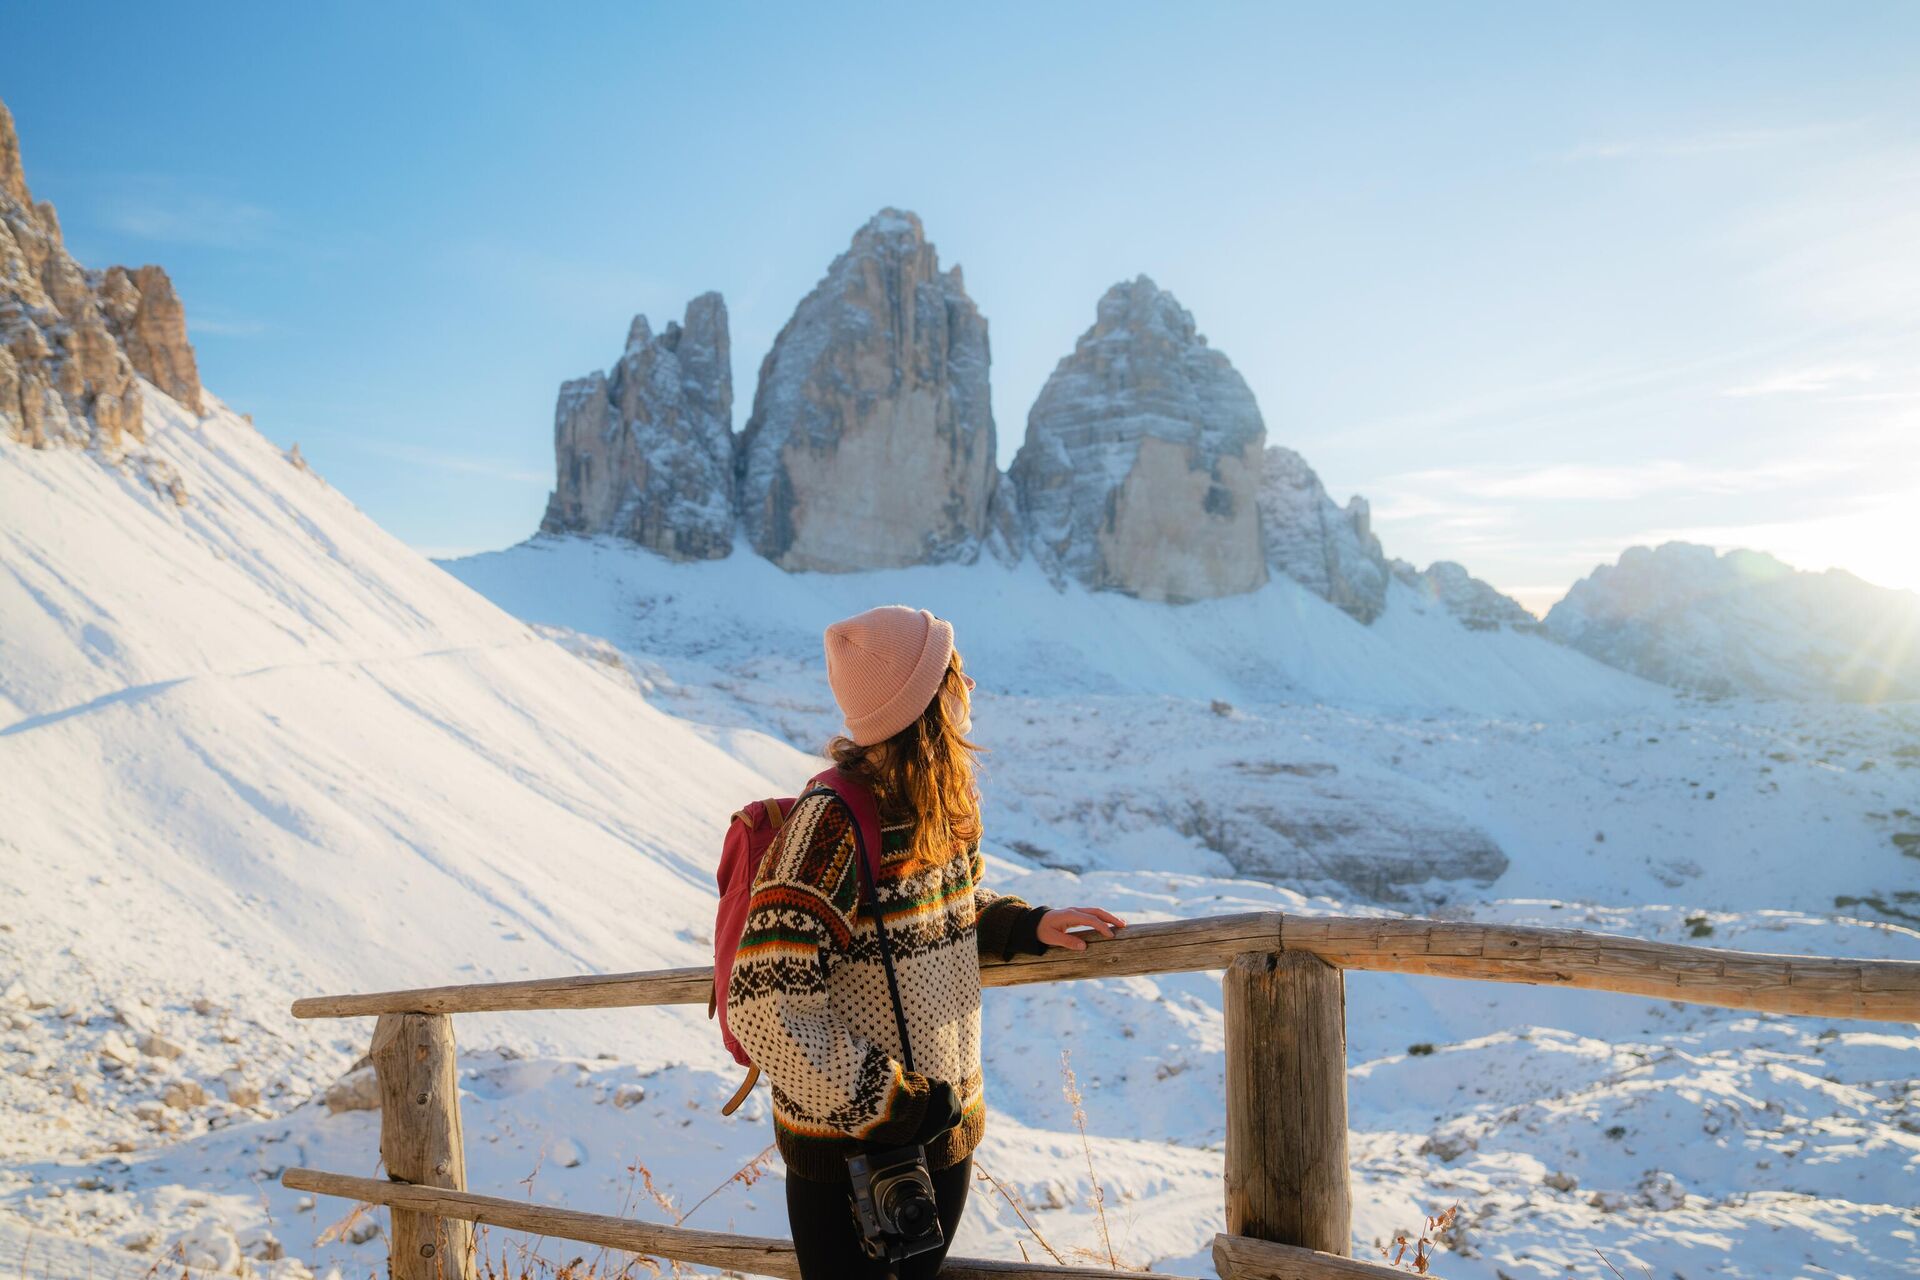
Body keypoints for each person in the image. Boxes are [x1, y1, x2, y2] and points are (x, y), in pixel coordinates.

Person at [725, 605, 1128, 1279]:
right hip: (854, 1150)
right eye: (955, 671)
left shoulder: (941, 801)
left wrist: (1024, 925)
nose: (968, 685)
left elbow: (945, 908)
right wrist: (891, 1105)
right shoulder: (830, 824)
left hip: (940, 1137)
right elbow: (765, 1001)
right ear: (926, 698)